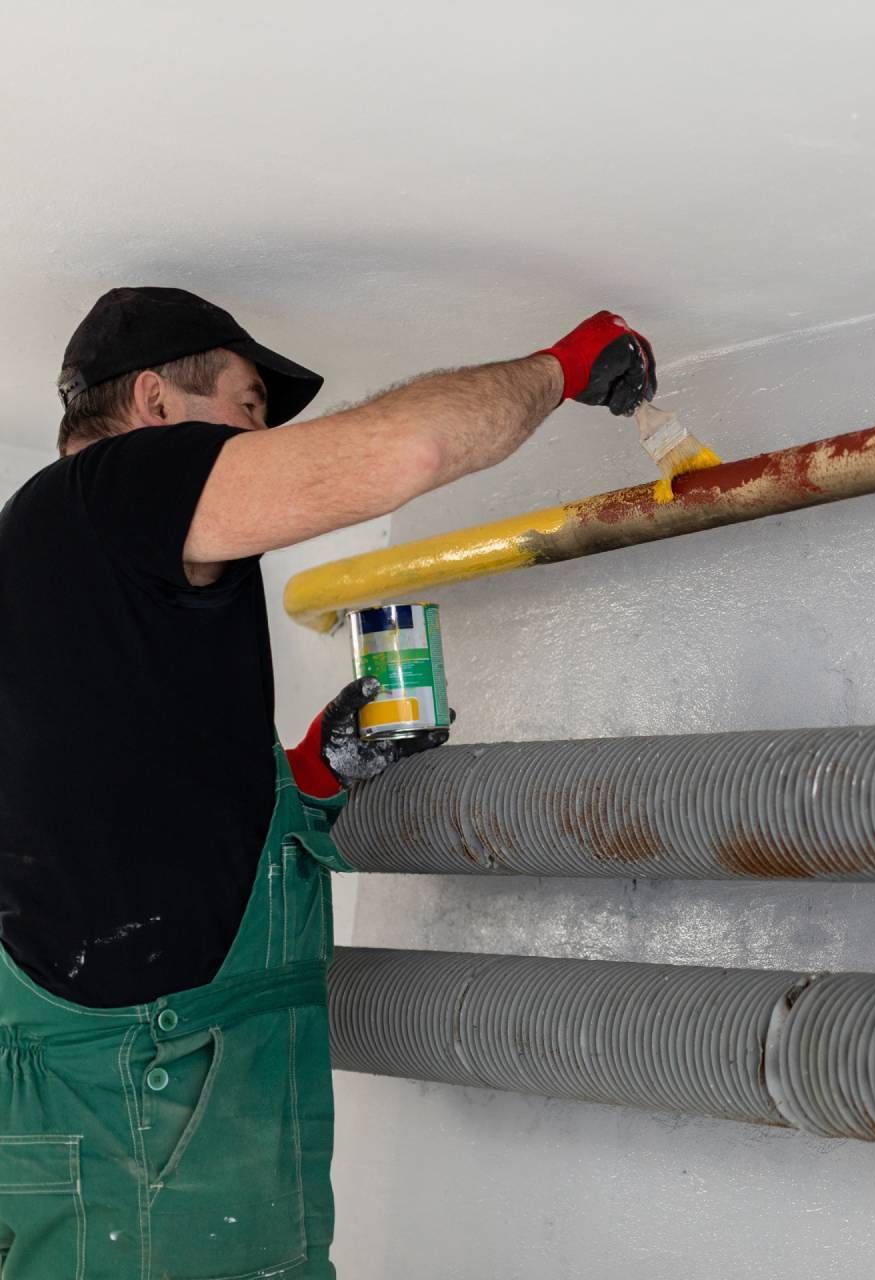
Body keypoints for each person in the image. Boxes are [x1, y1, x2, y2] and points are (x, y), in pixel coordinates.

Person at [0, 287, 656, 1277]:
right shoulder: (122, 484)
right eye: (249, 404)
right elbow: (405, 453)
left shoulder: (54, 561)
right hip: (153, 1085)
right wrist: (565, 365)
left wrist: (317, 769)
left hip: (108, 1071)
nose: (257, 432)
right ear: (152, 401)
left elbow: (106, 799)